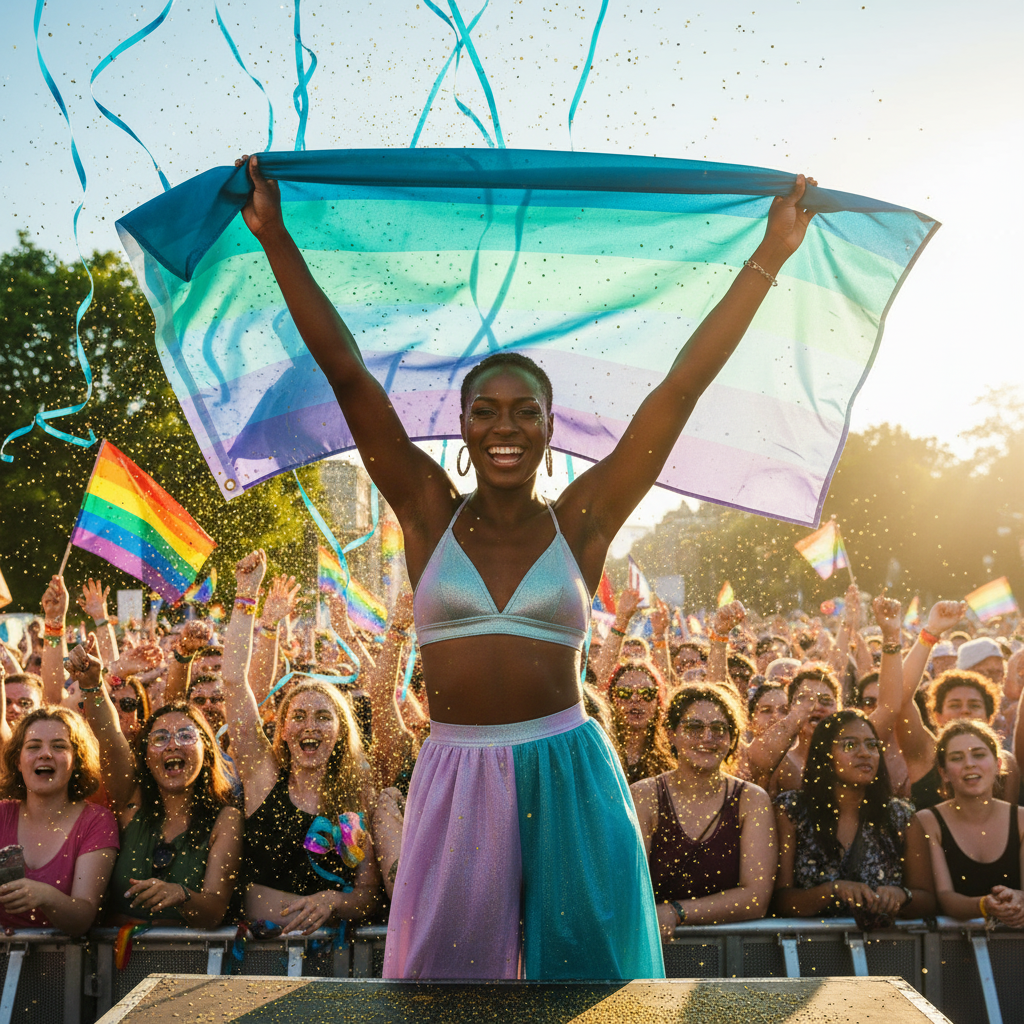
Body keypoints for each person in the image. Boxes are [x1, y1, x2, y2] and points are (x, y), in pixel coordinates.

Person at [236, 150, 818, 980]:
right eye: (486, 411)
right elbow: (347, 373)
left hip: (570, 775)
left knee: (589, 984)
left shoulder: (584, 519)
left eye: (525, 411)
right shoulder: (424, 509)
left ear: (550, 428)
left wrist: (769, 257)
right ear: (463, 429)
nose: (505, 425)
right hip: (455, 774)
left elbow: (680, 390)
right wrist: (278, 242)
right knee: (448, 984)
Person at [223, 551, 382, 936]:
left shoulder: (357, 793)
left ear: (342, 731)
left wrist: (332, 901)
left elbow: (370, 894)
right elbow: (232, 683)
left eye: (324, 717)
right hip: (258, 964)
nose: (310, 725)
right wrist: (246, 596)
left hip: (334, 967)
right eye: (298, 716)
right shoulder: (263, 779)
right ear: (283, 731)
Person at [632, 685, 775, 937]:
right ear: (671, 734)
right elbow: (631, 887)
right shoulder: (645, 796)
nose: (707, 737)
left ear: (732, 739)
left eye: (719, 729)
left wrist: (676, 912)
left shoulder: (751, 800)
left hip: (731, 954)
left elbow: (755, 898)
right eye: (694, 727)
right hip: (656, 949)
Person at [774, 710, 935, 923]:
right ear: (824, 754)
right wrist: (832, 891)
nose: (865, 753)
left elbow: (929, 901)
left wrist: (901, 896)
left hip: (885, 950)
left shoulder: (901, 817)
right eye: (850, 745)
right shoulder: (791, 810)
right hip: (808, 951)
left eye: (872, 745)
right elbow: (780, 900)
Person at [108, 702, 242, 927]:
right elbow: (109, 736)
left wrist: (182, 895)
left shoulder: (226, 819)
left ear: (206, 749)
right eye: (160, 738)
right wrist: (93, 686)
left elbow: (214, 912)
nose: (172, 745)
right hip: (117, 959)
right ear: (146, 756)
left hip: (191, 960)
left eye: (186, 735)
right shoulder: (129, 808)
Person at [0, 707, 119, 935]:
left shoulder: (97, 821)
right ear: (17, 761)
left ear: (76, 760)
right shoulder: (1, 814)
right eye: (34, 746)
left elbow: (82, 918)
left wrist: (45, 896)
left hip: (71, 966)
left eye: (59, 746)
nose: (45, 754)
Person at [915, 720, 1023, 924]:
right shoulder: (927, 821)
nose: (969, 764)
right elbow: (945, 897)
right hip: (952, 950)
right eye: (957, 758)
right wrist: (983, 905)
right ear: (944, 773)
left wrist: (1020, 898)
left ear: (998, 765)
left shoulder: (1022, 820)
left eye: (979, 755)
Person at [607, 660, 676, 785]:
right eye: (624, 693)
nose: (635, 699)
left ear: (658, 701)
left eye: (646, 693)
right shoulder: (603, 750)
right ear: (612, 699)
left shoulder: (673, 752)